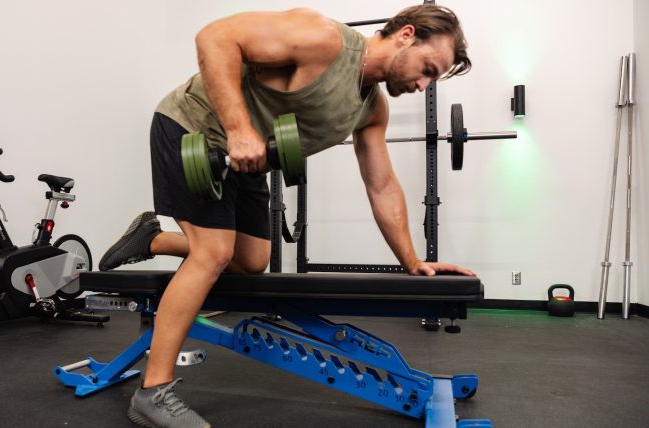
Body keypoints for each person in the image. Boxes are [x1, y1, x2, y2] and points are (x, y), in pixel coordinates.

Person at [100, 5, 474, 427]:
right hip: (195, 128)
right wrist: (240, 130)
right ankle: (152, 393)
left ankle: (152, 239)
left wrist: (412, 261)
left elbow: (382, 185)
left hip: (247, 158)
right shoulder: (324, 39)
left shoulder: (371, 108)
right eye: (427, 68)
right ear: (406, 35)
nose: (423, 83)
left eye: (432, 79)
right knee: (213, 253)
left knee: (252, 261)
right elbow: (215, 37)